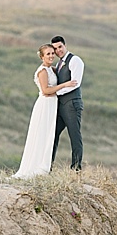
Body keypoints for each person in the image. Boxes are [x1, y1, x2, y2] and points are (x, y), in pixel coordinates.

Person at [11, 44, 77, 179]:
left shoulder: (52, 69)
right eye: (48, 54)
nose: (52, 56)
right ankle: (35, 167)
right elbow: (46, 90)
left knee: (48, 136)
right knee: (41, 135)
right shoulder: (42, 71)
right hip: (45, 105)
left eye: (53, 53)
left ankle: (43, 166)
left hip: (52, 106)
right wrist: (64, 85)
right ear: (42, 56)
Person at [50, 36, 84, 170]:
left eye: (60, 47)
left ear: (65, 45)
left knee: (74, 136)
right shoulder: (59, 64)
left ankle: (76, 169)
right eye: (55, 49)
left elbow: (75, 84)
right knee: (53, 135)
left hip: (72, 105)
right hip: (60, 106)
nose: (58, 50)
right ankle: (47, 166)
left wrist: (55, 93)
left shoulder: (75, 60)